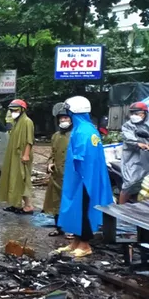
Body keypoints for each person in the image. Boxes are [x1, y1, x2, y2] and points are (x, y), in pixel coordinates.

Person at [58, 96, 114, 258]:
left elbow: (83, 157)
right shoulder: (81, 129)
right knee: (74, 209)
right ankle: (75, 241)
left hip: (84, 178)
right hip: (77, 177)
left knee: (83, 209)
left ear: (74, 112)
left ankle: (85, 244)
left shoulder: (85, 131)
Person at [0, 99, 35, 214]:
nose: (13, 112)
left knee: (22, 180)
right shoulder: (16, 122)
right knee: (13, 179)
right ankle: (16, 203)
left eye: (16, 110)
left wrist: (26, 155)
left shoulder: (27, 122)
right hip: (14, 155)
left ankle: (28, 206)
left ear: (22, 110)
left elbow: (29, 140)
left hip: (22, 155)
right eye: (12, 110)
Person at [43, 103, 71, 236]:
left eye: (66, 118)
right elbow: (52, 154)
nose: (63, 121)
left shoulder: (75, 135)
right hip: (57, 176)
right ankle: (58, 227)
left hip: (71, 175)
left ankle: (71, 229)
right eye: (61, 118)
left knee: (70, 203)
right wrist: (50, 164)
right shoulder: (55, 136)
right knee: (56, 203)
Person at [120, 102, 149, 204]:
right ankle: (120, 211)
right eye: (133, 113)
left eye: (138, 113)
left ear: (145, 114)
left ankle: (138, 209)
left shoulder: (147, 124)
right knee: (128, 184)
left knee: (144, 186)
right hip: (132, 159)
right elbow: (129, 138)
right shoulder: (128, 126)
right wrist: (139, 144)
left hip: (146, 159)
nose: (135, 116)